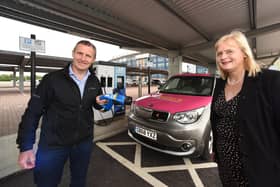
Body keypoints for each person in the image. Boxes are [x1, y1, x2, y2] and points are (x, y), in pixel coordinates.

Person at [16, 40, 107, 187]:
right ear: (73, 54)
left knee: (79, 181)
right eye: (80, 53)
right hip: (53, 145)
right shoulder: (52, 79)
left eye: (88, 56)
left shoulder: (94, 81)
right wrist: (26, 146)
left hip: (83, 143)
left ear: (93, 60)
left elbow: (95, 103)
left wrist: (99, 104)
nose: (83, 58)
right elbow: (32, 113)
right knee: (46, 183)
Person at [210, 30, 280, 187]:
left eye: (229, 51)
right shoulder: (220, 83)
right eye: (219, 53)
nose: (223, 56)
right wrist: (215, 148)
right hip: (226, 163)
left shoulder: (269, 81)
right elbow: (216, 120)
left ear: (244, 53)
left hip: (257, 167)